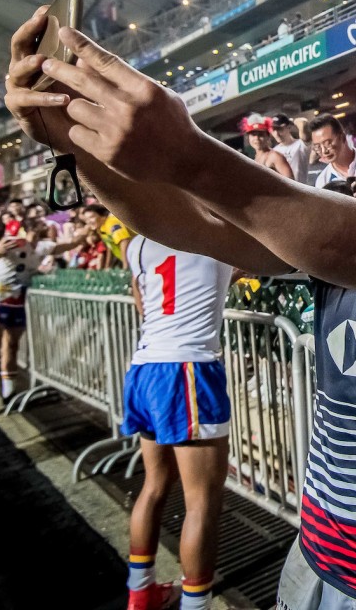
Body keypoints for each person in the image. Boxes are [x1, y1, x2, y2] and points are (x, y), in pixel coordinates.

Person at [6, 15, 356, 606]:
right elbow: (191, 225)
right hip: (316, 552)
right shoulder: (326, 231)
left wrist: (189, 154)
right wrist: (71, 139)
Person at [122, 236, 233, 610]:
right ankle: (195, 605)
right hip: (187, 368)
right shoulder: (210, 232)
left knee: (154, 484)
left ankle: (140, 594)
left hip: (145, 366)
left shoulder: (135, 243)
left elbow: (143, 301)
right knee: (202, 502)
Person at [0, 224, 85, 402]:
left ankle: (8, 392)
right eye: (31, 232)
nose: (33, 237)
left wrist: (83, 236)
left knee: (11, 344)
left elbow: (68, 245)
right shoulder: (11, 243)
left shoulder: (43, 247)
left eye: (37, 233)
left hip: (19, 300)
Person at [241, 114, 295, 179]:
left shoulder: (274, 156)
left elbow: (291, 182)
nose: (256, 138)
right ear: (248, 138)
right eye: (253, 135)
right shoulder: (256, 158)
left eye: (261, 135)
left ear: (268, 136)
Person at [82, 203, 134, 268]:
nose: (89, 221)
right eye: (86, 219)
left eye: (91, 217)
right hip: (132, 260)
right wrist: (107, 266)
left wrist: (125, 265)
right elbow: (110, 246)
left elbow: (124, 241)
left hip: (136, 257)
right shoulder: (101, 228)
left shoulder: (112, 222)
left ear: (102, 215)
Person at [270, 113, 310, 184]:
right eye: (273, 130)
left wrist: (291, 121)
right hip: (284, 188)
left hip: (301, 187)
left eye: (279, 129)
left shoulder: (300, 144)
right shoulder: (274, 151)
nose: (276, 134)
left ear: (289, 127)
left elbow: (303, 122)